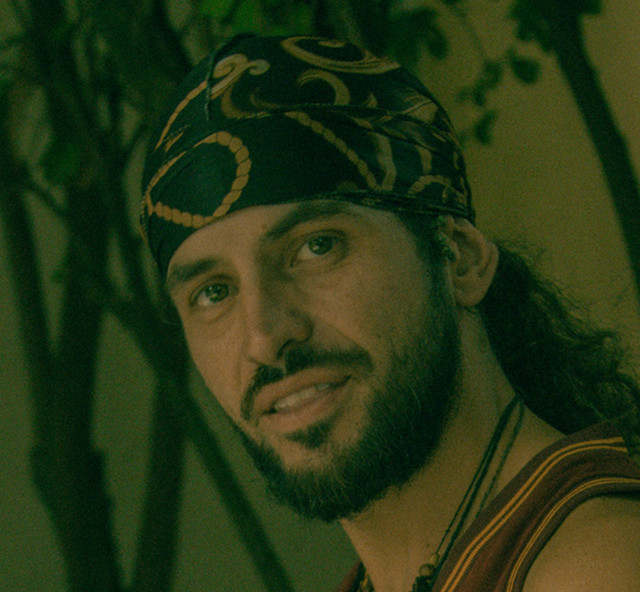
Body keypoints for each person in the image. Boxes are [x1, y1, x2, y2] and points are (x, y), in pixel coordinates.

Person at [140, 34, 640, 592]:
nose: (264, 336)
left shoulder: (595, 567)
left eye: (317, 247)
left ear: (459, 257)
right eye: (213, 292)